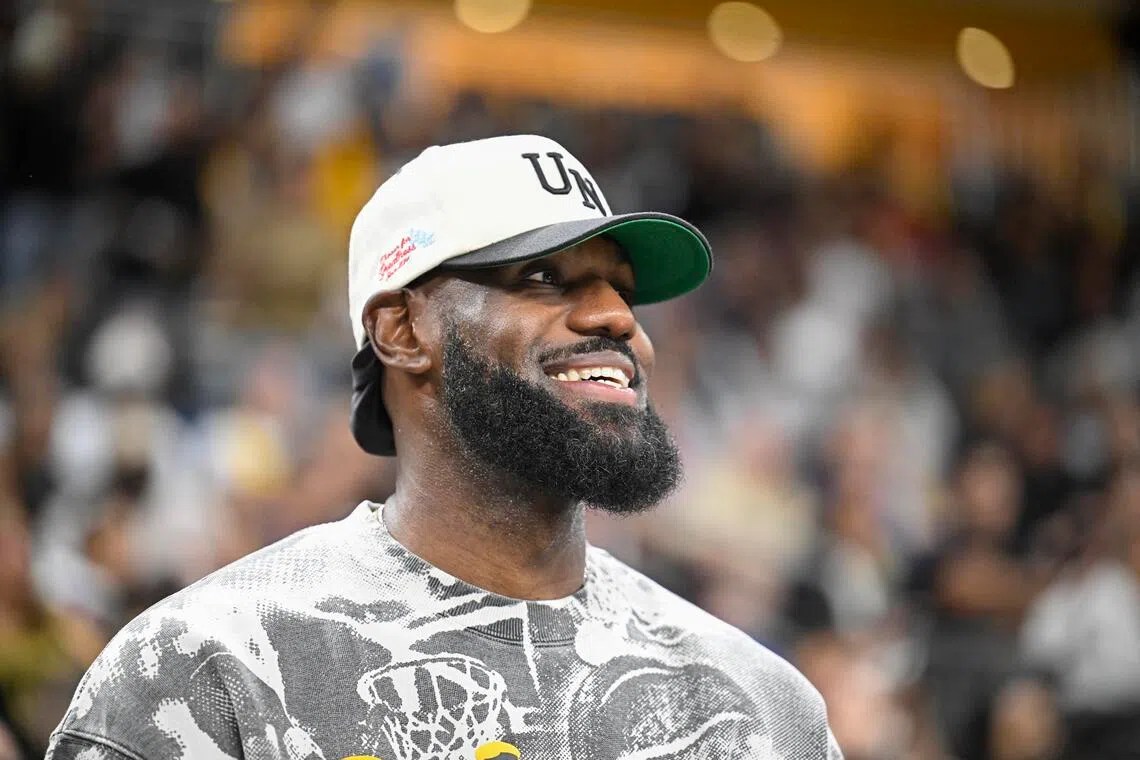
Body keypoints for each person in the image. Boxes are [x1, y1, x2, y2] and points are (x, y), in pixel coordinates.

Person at [45, 135, 842, 759]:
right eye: (543, 278)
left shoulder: (758, 707)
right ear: (402, 330)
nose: (617, 320)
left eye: (622, 290)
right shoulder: (207, 670)